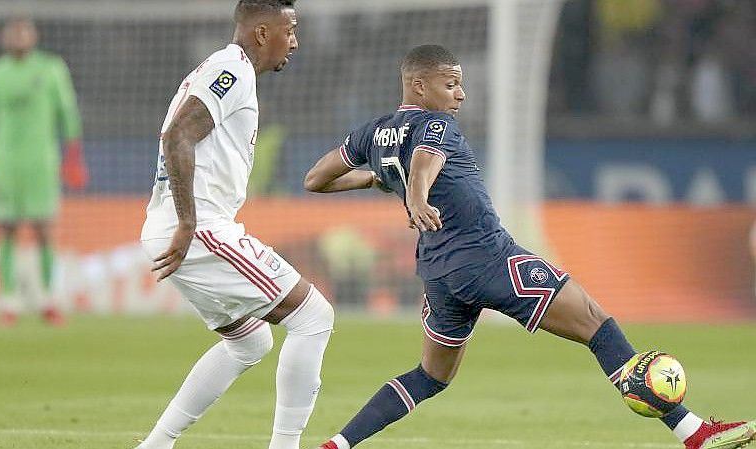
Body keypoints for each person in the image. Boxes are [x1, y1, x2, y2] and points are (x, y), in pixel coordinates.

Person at [304, 44, 755, 449]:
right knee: (598, 326)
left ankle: (338, 445)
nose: (461, 94)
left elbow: (316, 180)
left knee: (429, 377)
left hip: (439, 271)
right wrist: (416, 193)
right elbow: (426, 159)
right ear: (419, 86)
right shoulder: (436, 123)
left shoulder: (373, 131)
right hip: (487, 256)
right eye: (451, 84)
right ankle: (693, 432)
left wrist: (377, 176)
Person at [137, 2, 333, 449]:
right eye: (291, 29)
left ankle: (156, 445)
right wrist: (189, 222)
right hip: (199, 227)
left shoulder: (229, 70)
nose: (296, 41)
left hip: (181, 225)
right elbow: (178, 135)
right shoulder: (232, 69)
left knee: (250, 344)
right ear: (264, 32)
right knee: (314, 316)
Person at [0, 17, 87, 326]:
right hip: (5, 162)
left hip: (41, 162)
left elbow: (67, 111)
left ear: (34, 35)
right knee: (6, 229)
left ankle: (49, 298)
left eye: (24, 30)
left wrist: (73, 156)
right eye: (13, 30)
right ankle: (9, 300)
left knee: (44, 229)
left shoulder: (50, 68)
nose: (19, 35)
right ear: (4, 36)